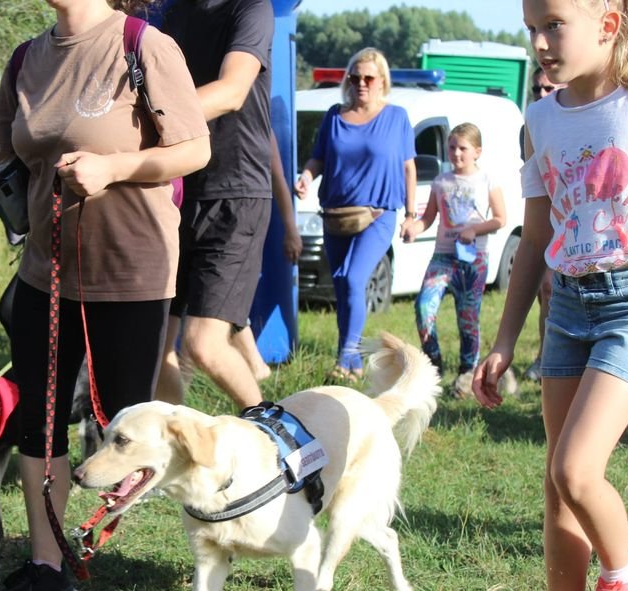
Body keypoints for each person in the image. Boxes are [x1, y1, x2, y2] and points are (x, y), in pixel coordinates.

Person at [0, 0, 210, 591]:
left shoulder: (143, 46)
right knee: (39, 417)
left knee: (127, 428)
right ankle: (47, 562)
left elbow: (195, 149)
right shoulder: (25, 60)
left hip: (133, 274)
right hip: (45, 274)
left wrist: (116, 167)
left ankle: (213, 518)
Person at [474, 0, 628, 591]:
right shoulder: (540, 120)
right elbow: (535, 238)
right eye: (532, 28)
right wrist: (504, 338)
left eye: (554, 25)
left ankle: (626, 575)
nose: (541, 42)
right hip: (569, 307)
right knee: (557, 484)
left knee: (578, 469)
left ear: (608, 24)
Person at [156, 0, 292, 409]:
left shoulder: (251, 9)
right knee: (155, 346)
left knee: (203, 344)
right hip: (177, 190)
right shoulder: (175, 14)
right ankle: (170, 443)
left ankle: (274, 436)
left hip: (236, 193)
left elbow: (232, 92)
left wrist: (149, 117)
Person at [294, 47, 416, 382]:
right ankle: (352, 360)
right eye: (355, 77)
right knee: (343, 286)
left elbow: (408, 167)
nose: (361, 83)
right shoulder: (334, 116)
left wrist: (410, 215)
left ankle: (347, 357)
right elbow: (318, 158)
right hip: (337, 215)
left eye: (368, 78)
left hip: (379, 214)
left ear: (382, 81)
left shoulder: (396, 117)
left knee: (353, 279)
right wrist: (306, 177)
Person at [405, 123, 507, 397]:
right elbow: (428, 217)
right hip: (443, 256)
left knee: (467, 317)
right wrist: (414, 228)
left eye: (463, 148)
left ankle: (467, 370)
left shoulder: (486, 181)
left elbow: (500, 218)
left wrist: (474, 229)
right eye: (452, 147)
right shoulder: (441, 182)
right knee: (424, 306)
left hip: (473, 259)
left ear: (477, 151)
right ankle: (433, 362)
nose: (456, 153)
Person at [523, 67, 566, 382]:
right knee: (546, 291)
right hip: (548, 225)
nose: (541, 94)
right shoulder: (533, 124)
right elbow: (536, 189)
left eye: (548, 89)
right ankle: (544, 357)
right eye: (537, 89)